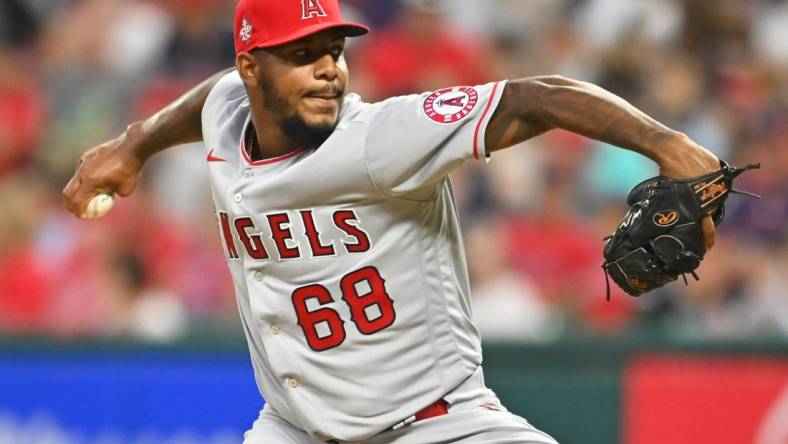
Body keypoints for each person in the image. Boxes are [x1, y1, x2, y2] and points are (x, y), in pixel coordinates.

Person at [63, 0, 720, 442]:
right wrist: (134, 143)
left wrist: (669, 145)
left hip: (435, 425)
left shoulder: (379, 138)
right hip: (294, 428)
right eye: (301, 53)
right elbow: (213, 98)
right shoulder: (229, 108)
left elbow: (534, 97)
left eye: (334, 49)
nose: (327, 68)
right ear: (249, 67)